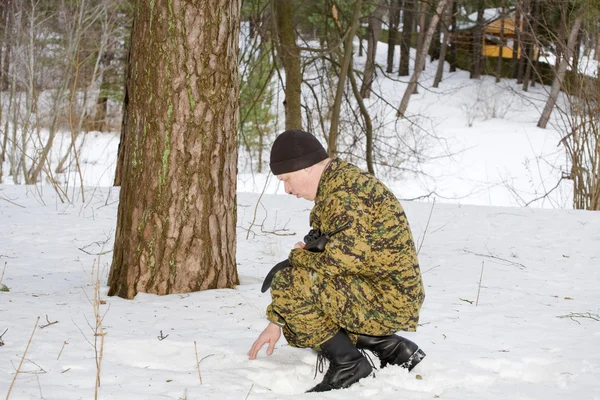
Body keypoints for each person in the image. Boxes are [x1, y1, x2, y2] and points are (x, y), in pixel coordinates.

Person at [247, 129, 426, 392]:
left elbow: (341, 262)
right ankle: (390, 348)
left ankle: (349, 364)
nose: (286, 189)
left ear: (305, 167)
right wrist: (277, 321)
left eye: (286, 179)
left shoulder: (345, 194)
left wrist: (299, 256)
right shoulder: (337, 185)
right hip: (375, 290)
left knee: (289, 282)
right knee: (299, 301)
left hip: (388, 299)